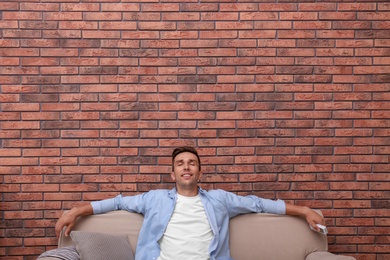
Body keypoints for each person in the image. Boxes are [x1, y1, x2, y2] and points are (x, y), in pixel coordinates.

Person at [55, 146, 325, 260]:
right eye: (181, 163)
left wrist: (302, 210)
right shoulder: (155, 199)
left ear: (199, 172)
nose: (187, 167)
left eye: (192, 163)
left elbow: (258, 204)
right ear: (172, 174)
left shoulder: (220, 199)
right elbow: (117, 202)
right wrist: (77, 211)